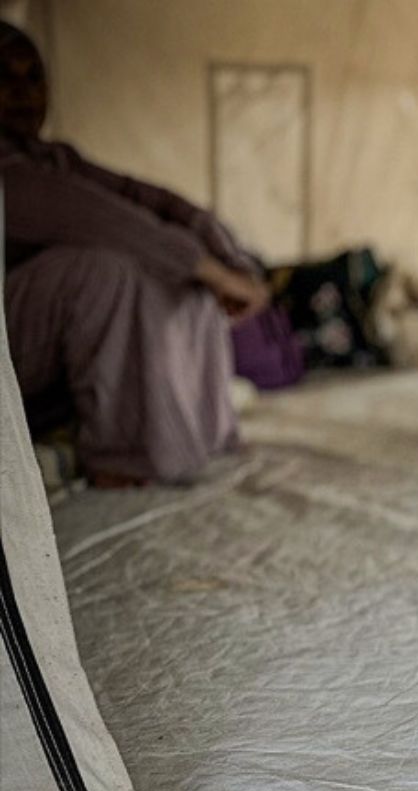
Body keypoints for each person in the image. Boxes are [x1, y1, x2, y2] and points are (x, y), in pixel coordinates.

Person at [1, 21, 267, 485]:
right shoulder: (15, 175)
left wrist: (231, 261)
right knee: (103, 268)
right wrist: (209, 269)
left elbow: (154, 201)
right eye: (4, 78)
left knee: (176, 272)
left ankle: (201, 431)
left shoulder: (57, 159)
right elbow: (95, 216)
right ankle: (118, 454)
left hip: (40, 353)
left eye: (33, 77)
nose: (23, 93)